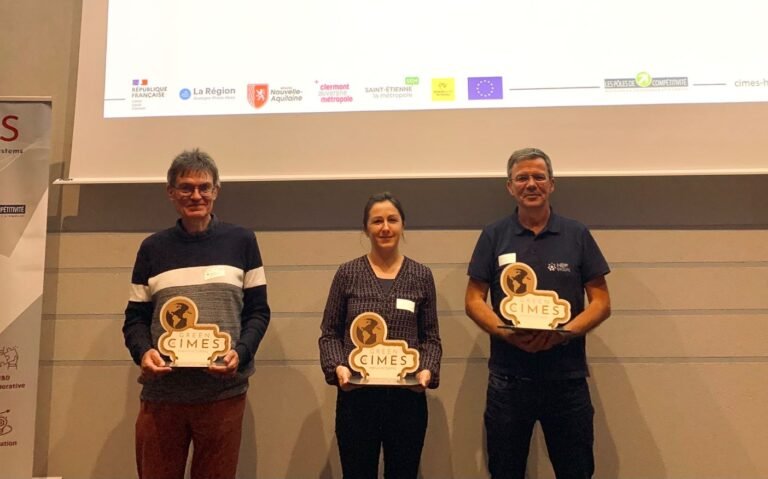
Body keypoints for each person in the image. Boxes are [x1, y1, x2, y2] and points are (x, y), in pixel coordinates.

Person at [123, 148, 270, 479]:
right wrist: (143, 353)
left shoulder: (242, 241)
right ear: (171, 193)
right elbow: (135, 319)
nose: (196, 195)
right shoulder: (152, 248)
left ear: (216, 191)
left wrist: (241, 353)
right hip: (163, 395)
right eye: (186, 188)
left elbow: (258, 313)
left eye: (204, 187)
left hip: (223, 394)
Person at [465, 147, 611, 479]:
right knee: (505, 470)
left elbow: (601, 301)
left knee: (576, 471)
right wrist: (505, 333)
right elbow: (473, 299)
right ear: (510, 187)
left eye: (538, 177)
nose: (531, 184)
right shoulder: (493, 235)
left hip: (567, 379)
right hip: (508, 379)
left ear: (551, 184)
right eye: (522, 178)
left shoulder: (577, 234)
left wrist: (564, 334)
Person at [319, 192, 442, 479]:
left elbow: (431, 338)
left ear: (403, 225)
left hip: (407, 399)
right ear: (366, 228)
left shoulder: (421, 276)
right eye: (377, 221)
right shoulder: (347, 274)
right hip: (356, 399)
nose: (385, 227)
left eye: (392, 220)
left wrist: (427, 370)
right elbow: (329, 334)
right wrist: (337, 367)